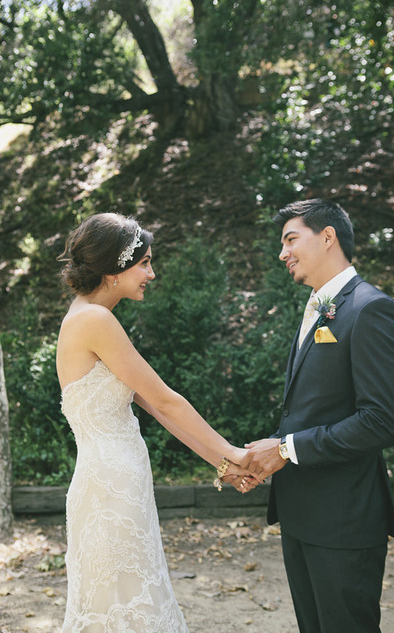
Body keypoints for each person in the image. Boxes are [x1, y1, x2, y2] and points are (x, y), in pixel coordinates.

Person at [56, 212, 258, 632]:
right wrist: (233, 452)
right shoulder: (95, 321)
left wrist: (222, 462)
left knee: (127, 599)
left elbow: (154, 406)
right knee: (126, 606)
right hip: (112, 487)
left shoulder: (86, 315)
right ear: (114, 269)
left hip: (111, 480)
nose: (152, 273)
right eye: (144, 263)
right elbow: (166, 400)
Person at [240, 198, 394, 633]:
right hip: (301, 514)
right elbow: (312, 410)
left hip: (344, 521)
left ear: (328, 236)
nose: (282, 253)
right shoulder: (320, 306)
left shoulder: (372, 308)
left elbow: (381, 422)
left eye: (290, 239)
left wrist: (285, 449)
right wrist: (262, 456)